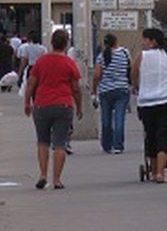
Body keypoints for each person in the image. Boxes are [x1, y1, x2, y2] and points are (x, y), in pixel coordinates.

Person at [24, 28, 82, 190]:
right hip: (63, 105)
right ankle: (57, 179)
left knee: (42, 142)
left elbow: (31, 83)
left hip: (42, 104)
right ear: (66, 44)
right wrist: (79, 106)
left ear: (51, 43)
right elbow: (76, 88)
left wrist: (27, 102)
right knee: (59, 144)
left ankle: (43, 175)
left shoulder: (41, 61)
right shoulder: (69, 63)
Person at [132, 28, 167, 184]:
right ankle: (161, 173)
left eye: (145, 40)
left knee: (151, 136)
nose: (143, 43)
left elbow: (134, 73)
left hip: (147, 102)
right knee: (165, 136)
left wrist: (137, 87)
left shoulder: (142, 57)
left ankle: (154, 169)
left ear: (153, 41)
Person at [91, 34, 131, 154]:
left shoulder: (101, 56)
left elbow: (97, 75)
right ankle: (118, 145)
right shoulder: (125, 53)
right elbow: (130, 68)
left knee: (106, 119)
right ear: (116, 41)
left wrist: (94, 90)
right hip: (122, 89)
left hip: (106, 91)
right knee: (119, 118)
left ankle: (106, 145)